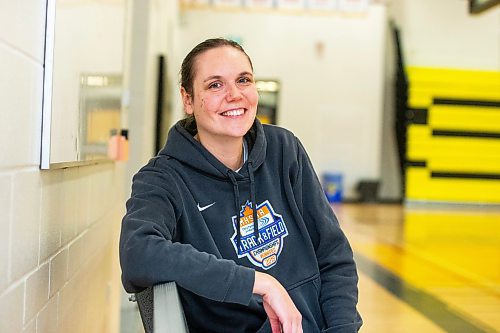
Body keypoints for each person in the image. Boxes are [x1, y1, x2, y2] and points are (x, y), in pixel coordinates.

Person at [120, 38, 362, 333]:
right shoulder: (163, 178)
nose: (234, 95)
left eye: (243, 80)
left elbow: (333, 257)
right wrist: (259, 283)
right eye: (215, 85)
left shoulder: (284, 150)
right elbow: (138, 251)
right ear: (187, 99)